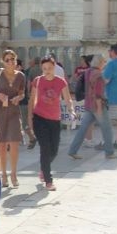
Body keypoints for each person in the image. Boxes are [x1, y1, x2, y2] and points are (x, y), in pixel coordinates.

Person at [28, 55, 75, 191]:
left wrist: (71, 110)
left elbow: (68, 99)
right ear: (41, 69)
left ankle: (44, 169)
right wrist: (30, 117)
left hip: (54, 120)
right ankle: (48, 180)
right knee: (45, 148)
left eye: (49, 68)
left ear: (54, 67)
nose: (47, 71)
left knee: (54, 150)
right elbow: (32, 100)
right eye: (44, 68)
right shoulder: (37, 81)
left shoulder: (61, 82)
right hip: (39, 118)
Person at [67, 54, 117, 160]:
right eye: (104, 62)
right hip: (97, 105)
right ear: (100, 62)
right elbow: (98, 93)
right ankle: (109, 152)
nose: (105, 64)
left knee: (83, 129)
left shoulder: (88, 72)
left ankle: (72, 150)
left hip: (88, 104)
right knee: (107, 129)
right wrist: (99, 109)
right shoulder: (98, 75)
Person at [0, 49, 26, 188]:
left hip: (14, 111)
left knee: (14, 143)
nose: (10, 62)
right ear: (3, 62)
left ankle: (14, 174)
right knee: (1, 144)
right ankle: (3, 174)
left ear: (16, 60)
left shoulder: (21, 76)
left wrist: (18, 97)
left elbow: (22, 93)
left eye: (12, 59)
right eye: (7, 60)